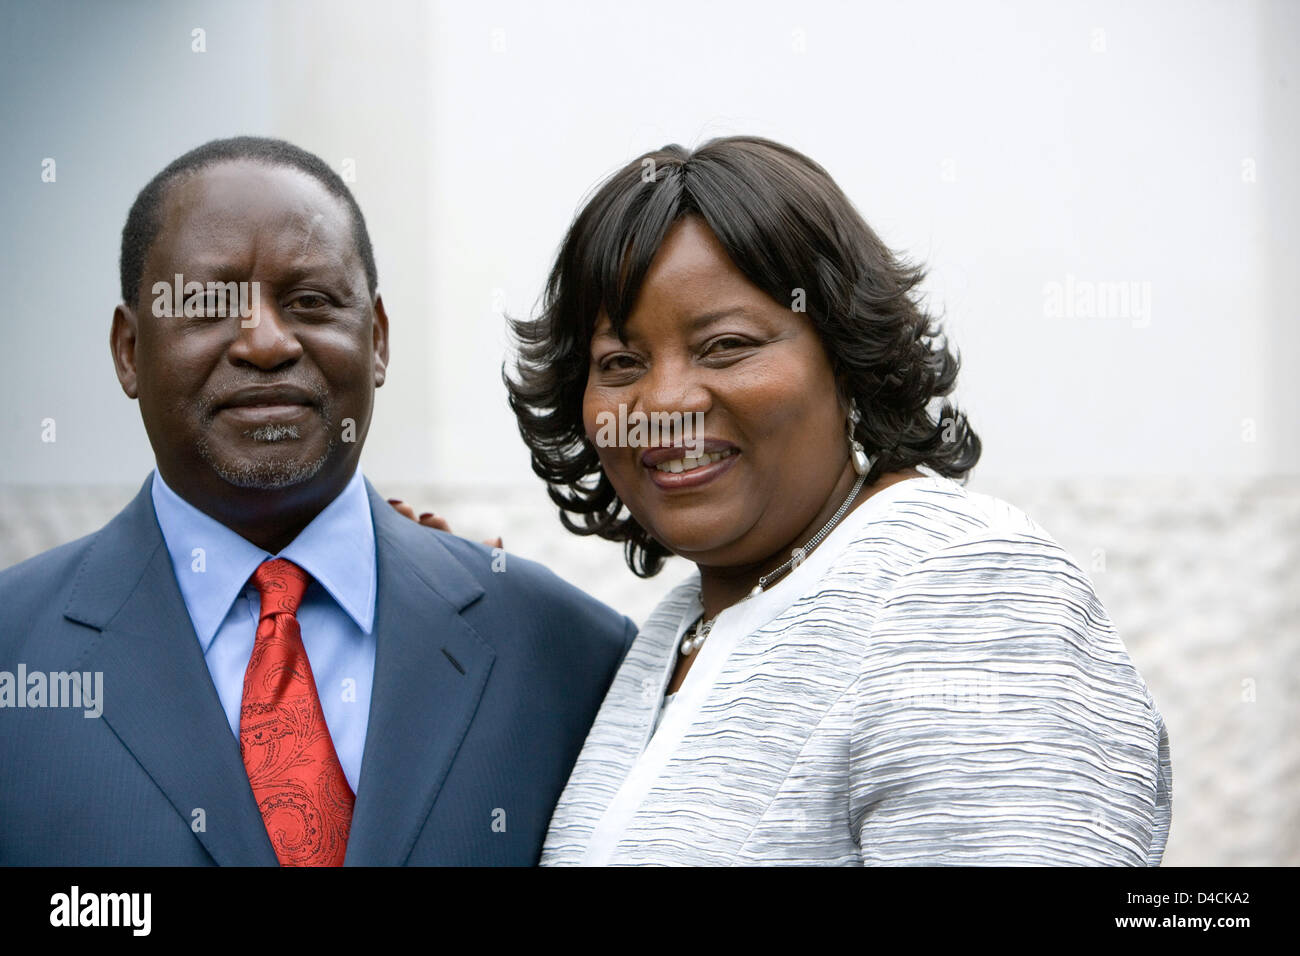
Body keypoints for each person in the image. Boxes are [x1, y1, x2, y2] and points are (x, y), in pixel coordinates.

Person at [497, 135, 1172, 865]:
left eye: (726, 345)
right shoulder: (677, 631)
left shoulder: (963, 590)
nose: (665, 404)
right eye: (621, 363)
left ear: (846, 356)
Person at [0, 136, 635, 866]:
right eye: (208, 306)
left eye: (310, 302)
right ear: (128, 351)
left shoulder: (571, 653)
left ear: (379, 341)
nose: (265, 343)